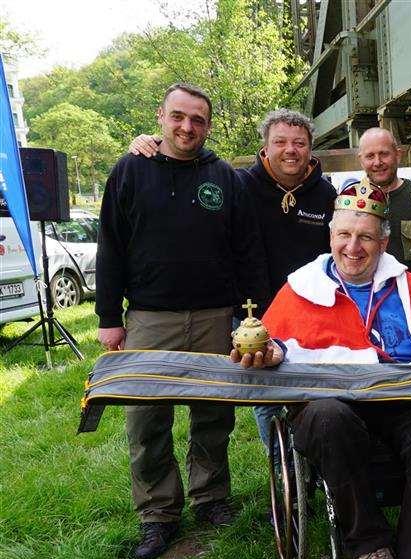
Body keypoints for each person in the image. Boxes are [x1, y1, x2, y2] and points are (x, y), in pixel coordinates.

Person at [233, 179, 411, 559]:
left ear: (383, 242)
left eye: (365, 236)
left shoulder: (409, 286)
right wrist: (266, 353)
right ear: (331, 236)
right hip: (329, 408)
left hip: (399, 404)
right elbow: (271, 345)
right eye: (344, 234)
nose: (353, 247)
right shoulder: (300, 288)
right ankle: (368, 543)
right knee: (329, 418)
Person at [96, 83, 268, 559]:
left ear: (208, 125)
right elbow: (110, 247)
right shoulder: (131, 170)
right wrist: (110, 318)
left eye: (197, 120)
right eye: (178, 117)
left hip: (216, 317)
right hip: (150, 319)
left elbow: (247, 249)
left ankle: (211, 498)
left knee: (213, 416)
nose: (187, 127)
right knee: (147, 420)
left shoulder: (224, 177)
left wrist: (250, 312)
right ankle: (158, 514)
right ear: (161, 116)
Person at [129, 109, 338, 449]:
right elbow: (185, 177)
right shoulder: (236, 184)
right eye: (280, 142)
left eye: (299, 143)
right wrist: (153, 144)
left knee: (315, 395)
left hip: (312, 315)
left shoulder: (327, 196)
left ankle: (317, 461)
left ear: (311, 149)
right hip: (255, 314)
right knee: (265, 396)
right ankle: (279, 467)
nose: (290, 150)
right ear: (265, 146)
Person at [356, 127, 411, 285]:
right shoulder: (351, 203)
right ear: (361, 160)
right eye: (370, 156)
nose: (377, 162)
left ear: (398, 155)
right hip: (368, 302)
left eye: (384, 154)